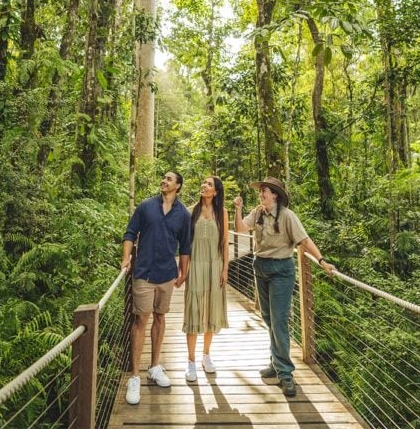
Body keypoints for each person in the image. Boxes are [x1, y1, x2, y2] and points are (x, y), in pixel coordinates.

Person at [233, 176, 335, 398]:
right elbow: (240, 229)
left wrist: (322, 261)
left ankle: (286, 374)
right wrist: (238, 209)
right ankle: (276, 362)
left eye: (265, 191)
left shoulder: (288, 216)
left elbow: (304, 241)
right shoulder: (258, 212)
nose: (261, 194)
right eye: (261, 191)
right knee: (269, 319)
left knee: (279, 321)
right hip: (260, 268)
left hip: (281, 271)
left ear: (275, 195)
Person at [121, 171, 192, 405]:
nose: (164, 180)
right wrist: (126, 258)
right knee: (141, 320)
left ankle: (154, 367)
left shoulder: (182, 214)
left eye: (169, 179)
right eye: (164, 178)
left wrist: (184, 272)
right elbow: (130, 233)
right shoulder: (146, 206)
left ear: (178, 186)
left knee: (160, 318)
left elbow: (185, 247)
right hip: (143, 272)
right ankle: (134, 376)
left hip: (166, 275)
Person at [182, 176, 229, 383]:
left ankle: (206, 355)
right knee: (193, 311)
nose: (204, 185)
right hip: (196, 267)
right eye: (203, 183)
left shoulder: (222, 213)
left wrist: (225, 268)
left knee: (211, 309)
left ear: (216, 192)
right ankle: (191, 361)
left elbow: (226, 243)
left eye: (209, 184)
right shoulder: (191, 211)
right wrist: (183, 270)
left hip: (215, 266)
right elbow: (184, 243)